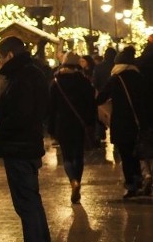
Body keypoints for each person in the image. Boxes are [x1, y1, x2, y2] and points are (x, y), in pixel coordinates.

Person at [0, 35, 51, 242]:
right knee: (31, 203)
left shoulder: (22, 77)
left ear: (10, 55)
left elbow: (21, 114)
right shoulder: (29, 73)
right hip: (25, 146)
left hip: (19, 147)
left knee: (27, 205)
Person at [95, 46, 148, 198]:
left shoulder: (116, 79)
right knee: (137, 151)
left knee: (125, 154)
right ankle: (140, 178)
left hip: (121, 123)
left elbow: (100, 99)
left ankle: (131, 184)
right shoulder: (140, 77)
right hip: (138, 121)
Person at [47, 53, 97, 204]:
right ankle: (78, 182)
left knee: (67, 156)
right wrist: (90, 123)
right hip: (79, 124)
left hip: (62, 124)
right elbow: (91, 104)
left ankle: (73, 182)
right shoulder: (84, 82)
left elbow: (51, 107)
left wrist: (51, 128)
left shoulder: (56, 82)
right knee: (78, 156)